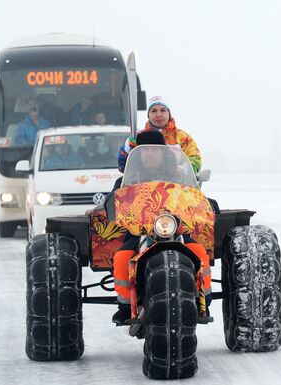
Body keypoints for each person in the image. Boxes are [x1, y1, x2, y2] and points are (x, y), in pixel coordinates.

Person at [111, 130, 211, 325]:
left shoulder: (177, 176)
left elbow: (194, 196)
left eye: (153, 150)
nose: (149, 154)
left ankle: (203, 300)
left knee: (198, 252)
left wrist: (207, 203)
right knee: (122, 257)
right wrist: (110, 203)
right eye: (144, 150)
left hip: (177, 230)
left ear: (163, 152)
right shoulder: (127, 179)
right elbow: (113, 200)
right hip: (138, 232)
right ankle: (125, 305)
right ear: (136, 155)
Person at [117, 96, 202, 174]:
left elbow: (196, 160)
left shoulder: (182, 137)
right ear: (148, 115)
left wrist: (183, 170)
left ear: (169, 113)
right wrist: (127, 150)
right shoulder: (139, 137)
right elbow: (123, 167)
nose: (158, 115)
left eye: (163, 110)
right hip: (144, 185)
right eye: (153, 111)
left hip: (176, 186)